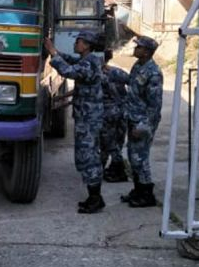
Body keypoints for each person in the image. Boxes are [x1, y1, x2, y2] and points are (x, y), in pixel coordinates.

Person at [45, 30, 105, 214]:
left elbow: (69, 71)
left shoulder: (90, 63)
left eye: (78, 41)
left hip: (89, 119)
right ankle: (93, 196)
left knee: (89, 156)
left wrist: (54, 53)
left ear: (86, 45)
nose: (75, 44)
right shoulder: (88, 60)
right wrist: (52, 51)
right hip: (86, 117)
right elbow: (71, 61)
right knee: (85, 155)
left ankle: (95, 198)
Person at [119, 35, 163, 208]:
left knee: (140, 158)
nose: (135, 49)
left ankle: (146, 194)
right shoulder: (138, 66)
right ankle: (138, 190)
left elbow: (155, 105)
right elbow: (132, 84)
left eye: (139, 47)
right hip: (133, 118)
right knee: (133, 156)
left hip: (142, 122)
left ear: (146, 51)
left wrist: (144, 126)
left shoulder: (153, 73)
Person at [101, 49, 129, 183]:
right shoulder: (118, 72)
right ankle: (115, 169)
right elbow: (132, 83)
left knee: (105, 143)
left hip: (107, 114)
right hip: (122, 112)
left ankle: (114, 169)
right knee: (118, 141)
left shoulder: (96, 74)